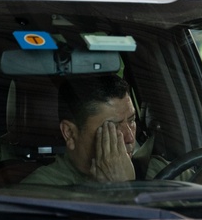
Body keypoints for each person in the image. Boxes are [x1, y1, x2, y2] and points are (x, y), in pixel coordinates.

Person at [22, 73, 163, 185]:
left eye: (131, 120)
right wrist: (122, 188)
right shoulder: (40, 193)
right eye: (112, 126)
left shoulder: (155, 171)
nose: (130, 138)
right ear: (70, 133)